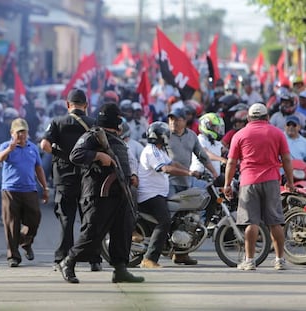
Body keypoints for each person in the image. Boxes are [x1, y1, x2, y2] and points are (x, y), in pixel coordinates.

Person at [59, 103, 144, 284]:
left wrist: (132, 176)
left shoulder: (118, 139)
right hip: (99, 194)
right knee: (92, 233)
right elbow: (76, 155)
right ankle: (69, 262)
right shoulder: (93, 135)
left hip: (121, 192)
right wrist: (98, 156)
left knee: (122, 233)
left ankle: (120, 269)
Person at [223, 103, 295, 271]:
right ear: (267, 117)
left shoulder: (240, 135)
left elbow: (231, 162)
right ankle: (280, 260)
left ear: (248, 118)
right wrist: (290, 182)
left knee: (251, 222)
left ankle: (249, 261)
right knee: (275, 222)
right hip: (271, 181)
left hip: (248, 182)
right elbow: (286, 159)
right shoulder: (277, 133)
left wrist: (227, 184)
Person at [40, 88, 102, 271]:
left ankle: (62, 258)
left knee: (66, 219)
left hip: (65, 176)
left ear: (68, 105)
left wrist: (61, 154)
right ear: (86, 105)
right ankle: (94, 259)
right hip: (88, 177)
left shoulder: (57, 122)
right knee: (89, 219)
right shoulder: (93, 123)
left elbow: (44, 145)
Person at [137, 122, 200, 268]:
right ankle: (149, 258)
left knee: (179, 218)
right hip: (150, 196)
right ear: (161, 136)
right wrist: (188, 173)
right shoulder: (151, 151)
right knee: (164, 221)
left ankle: (180, 254)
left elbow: (173, 164)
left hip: (159, 194)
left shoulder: (160, 151)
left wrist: (192, 172)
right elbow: (165, 168)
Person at [165, 108, 219, 265]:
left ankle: (181, 254)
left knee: (185, 220)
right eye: (171, 119)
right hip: (168, 182)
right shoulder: (165, 135)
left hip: (186, 183)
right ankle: (157, 250)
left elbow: (202, 156)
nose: (173, 122)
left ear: (184, 120)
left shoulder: (191, 136)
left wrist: (216, 174)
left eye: (176, 119)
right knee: (167, 218)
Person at [0, 118, 49, 267]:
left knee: (35, 218)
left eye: (24, 132)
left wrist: (45, 188)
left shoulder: (33, 148)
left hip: (29, 190)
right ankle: (13, 256)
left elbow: (39, 169)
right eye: (19, 132)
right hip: (10, 190)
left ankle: (26, 241)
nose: (22, 135)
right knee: (11, 223)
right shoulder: (6, 146)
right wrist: (9, 149)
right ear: (12, 133)